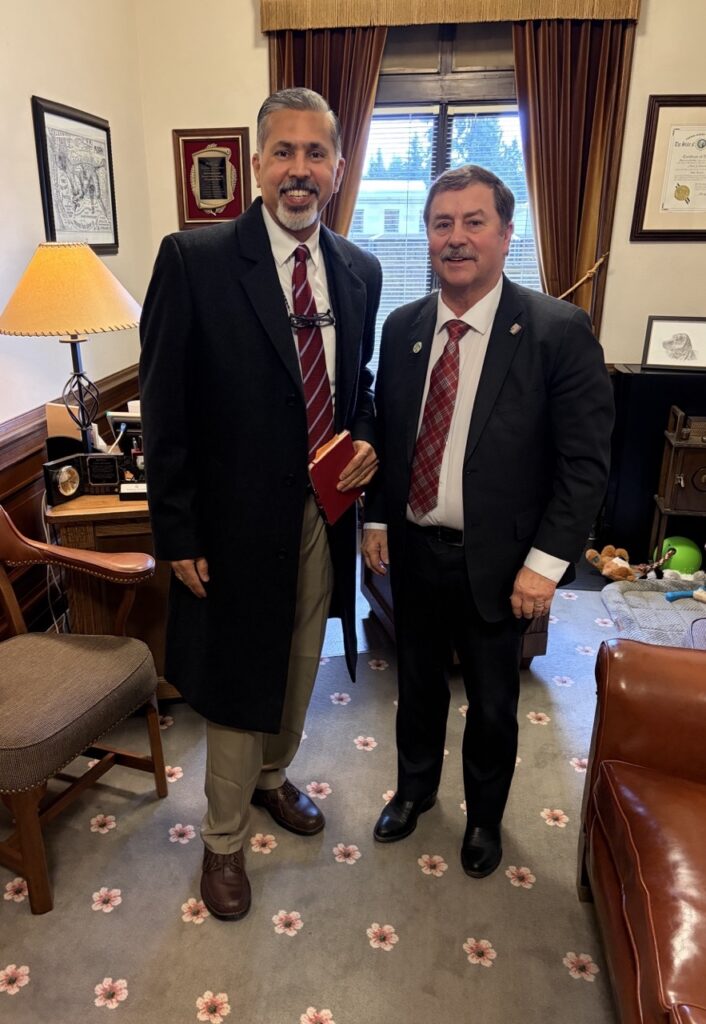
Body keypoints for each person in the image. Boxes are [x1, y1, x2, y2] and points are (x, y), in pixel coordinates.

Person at [139, 88, 382, 920]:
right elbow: (164, 407)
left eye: (317, 153)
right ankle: (222, 841)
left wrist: (368, 439)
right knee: (242, 678)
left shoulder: (359, 269)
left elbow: (359, 390)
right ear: (257, 163)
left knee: (300, 662)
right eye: (284, 151)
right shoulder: (194, 260)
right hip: (233, 525)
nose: (300, 170)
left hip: (324, 516)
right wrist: (177, 531)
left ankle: (277, 779)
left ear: (340, 169)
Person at [362, 164, 614, 878]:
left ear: (507, 236)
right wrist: (376, 522)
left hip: (501, 566)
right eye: (442, 224)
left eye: (475, 223)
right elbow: (385, 433)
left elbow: (584, 465)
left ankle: (484, 821)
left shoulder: (557, 332)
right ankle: (413, 793)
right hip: (413, 552)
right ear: (428, 237)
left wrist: (546, 564)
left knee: (495, 706)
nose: (457, 238)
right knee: (416, 690)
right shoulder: (404, 327)